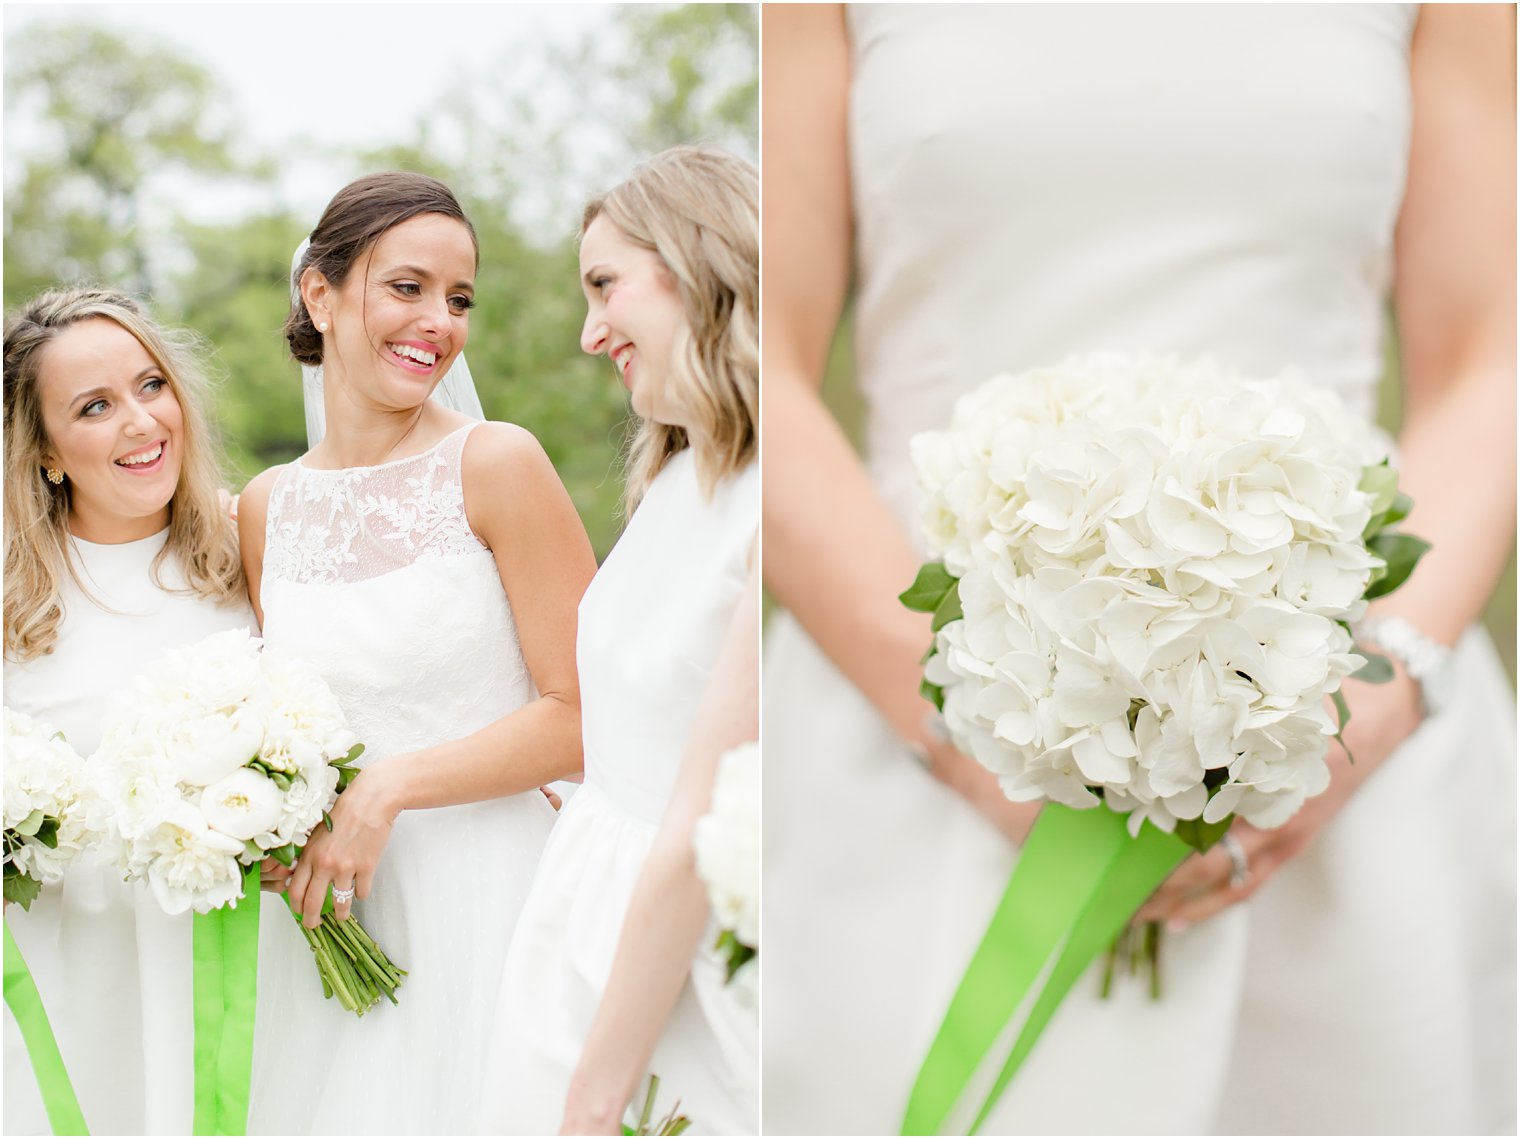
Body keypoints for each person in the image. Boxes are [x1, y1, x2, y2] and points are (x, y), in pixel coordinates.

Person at [762, 5, 1515, 1135]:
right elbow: (753, 356)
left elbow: (1485, 356)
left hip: (1337, 740)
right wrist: (964, 721)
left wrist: (1369, 693)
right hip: (907, 736)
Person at [237, 171, 597, 1135]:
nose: (438, 320)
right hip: (334, 919)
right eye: (407, 287)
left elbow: (588, 713)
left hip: (489, 902)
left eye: (460, 297)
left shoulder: (496, 463)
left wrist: (386, 790)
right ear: (320, 294)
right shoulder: (267, 507)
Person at [481, 146, 760, 1136]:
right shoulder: (677, 476)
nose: (591, 332)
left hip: (671, 967)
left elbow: (701, 819)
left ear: (699, 260)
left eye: (604, 285)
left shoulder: (776, 503)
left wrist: (597, 1097)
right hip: (579, 922)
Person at [3, 287, 255, 1134]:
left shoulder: (248, 552)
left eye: (152, 385)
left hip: (238, 981)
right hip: (72, 989)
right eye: (95, 407)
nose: (142, 423)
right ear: (45, 452)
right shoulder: (14, 608)